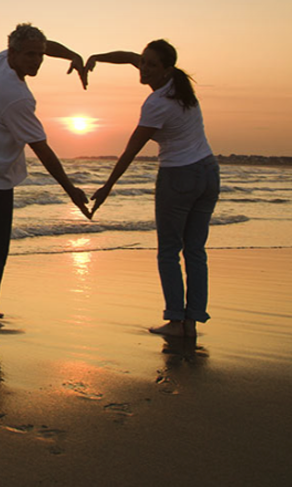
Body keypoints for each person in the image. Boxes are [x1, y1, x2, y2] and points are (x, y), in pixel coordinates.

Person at [0, 23, 91, 329]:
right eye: (30, 55)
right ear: (14, 53)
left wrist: (71, 54)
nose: (37, 61)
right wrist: (70, 189)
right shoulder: (15, 97)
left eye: (40, 55)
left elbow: (45, 45)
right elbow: (41, 149)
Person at [85, 39, 219, 337]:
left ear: (166, 69)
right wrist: (97, 56)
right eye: (144, 62)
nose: (143, 68)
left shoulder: (157, 103)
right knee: (195, 250)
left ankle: (175, 321)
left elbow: (132, 149)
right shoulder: (178, 85)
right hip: (208, 172)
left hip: (179, 176)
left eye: (150, 64)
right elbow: (129, 56)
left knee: (170, 250)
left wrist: (108, 185)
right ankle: (192, 322)